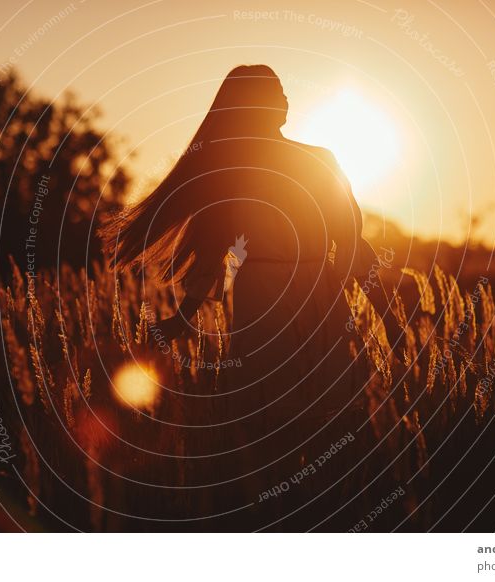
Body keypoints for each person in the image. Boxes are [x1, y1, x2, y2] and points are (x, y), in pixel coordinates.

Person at [102, 64, 405, 529]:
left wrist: (386, 313)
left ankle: (315, 514)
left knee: (327, 411)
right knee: (284, 416)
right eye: (274, 91)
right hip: (274, 298)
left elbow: (354, 245)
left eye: (284, 89)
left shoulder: (316, 158)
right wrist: (182, 319)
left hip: (305, 293)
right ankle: (285, 518)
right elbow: (209, 255)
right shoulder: (237, 173)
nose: (285, 98)